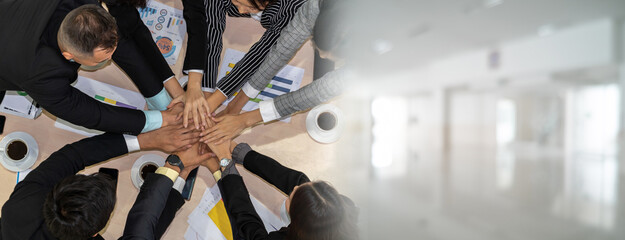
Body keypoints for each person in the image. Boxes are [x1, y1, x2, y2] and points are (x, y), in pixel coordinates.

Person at [0, 0, 184, 135]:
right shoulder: (41, 76)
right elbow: (93, 114)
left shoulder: (85, 8)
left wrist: (160, 97)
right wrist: (162, 119)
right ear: (68, 56)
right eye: (102, 61)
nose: (111, 60)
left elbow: (120, 43)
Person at [0, 127, 210, 239]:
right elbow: (144, 232)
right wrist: (181, 172)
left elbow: (73, 156)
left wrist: (147, 140)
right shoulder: (22, 204)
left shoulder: (20, 207)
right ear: (94, 233)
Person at [198, 0, 350, 143]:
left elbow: (319, 91)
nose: (322, 56)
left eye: (331, 55)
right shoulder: (316, 5)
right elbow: (281, 51)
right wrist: (235, 104)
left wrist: (247, 119)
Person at [170, 0, 307, 130]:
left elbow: (260, 55)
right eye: (236, 2)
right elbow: (211, 21)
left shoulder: (295, 9)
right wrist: (205, 90)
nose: (241, 10)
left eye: (251, 7)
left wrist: (216, 101)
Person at [202, 140, 359, 240]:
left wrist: (227, 165)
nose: (295, 187)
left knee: (241, 231)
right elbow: (300, 183)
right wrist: (244, 154)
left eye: (291, 196)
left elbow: (248, 224)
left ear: (295, 219)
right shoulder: (342, 206)